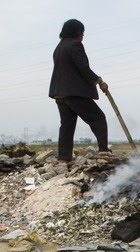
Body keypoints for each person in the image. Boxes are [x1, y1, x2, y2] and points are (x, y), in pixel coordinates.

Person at [49, 19, 111, 164]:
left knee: (67, 126)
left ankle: (63, 159)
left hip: (60, 93)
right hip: (74, 93)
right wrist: (99, 81)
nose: (83, 36)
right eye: (82, 32)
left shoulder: (59, 48)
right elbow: (83, 68)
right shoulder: (75, 45)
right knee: (98, 119)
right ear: (76, 32)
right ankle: (103, 152)